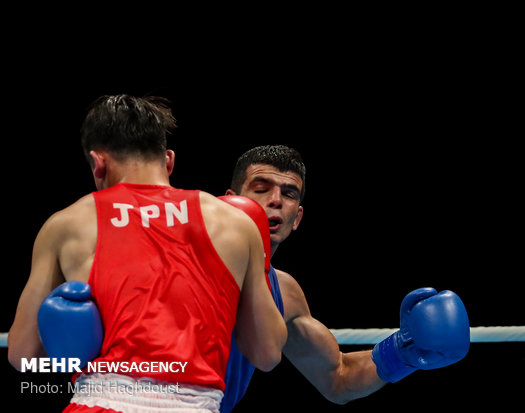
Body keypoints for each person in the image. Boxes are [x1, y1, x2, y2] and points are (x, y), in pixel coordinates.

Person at [7, 95, 287, 413]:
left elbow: (23, 356)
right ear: (168, 161)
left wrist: (71, 347)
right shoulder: (235, 224)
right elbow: (267, 353)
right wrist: (259, 259)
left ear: (98, 164)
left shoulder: (67, 224)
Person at [220, 145, 470, 412]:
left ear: (297, 218)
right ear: (229, 201)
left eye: (289, 193)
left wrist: (403, 350)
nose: (276, 200)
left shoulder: (285, 293)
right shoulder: (186, 261)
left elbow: (337, 377)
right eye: (261, 188)